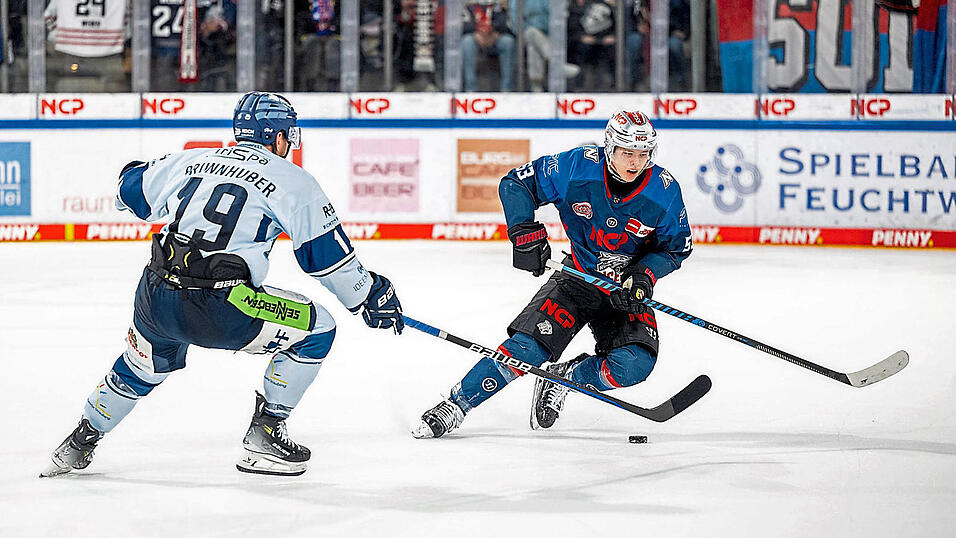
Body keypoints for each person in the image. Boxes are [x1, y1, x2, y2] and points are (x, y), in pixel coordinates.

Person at [41, 92, 404, 477]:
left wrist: (138, 170)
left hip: (155, 297)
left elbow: (128, 191)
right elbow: (327, 260)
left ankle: (80, 440)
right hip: (222, 306)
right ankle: (266, 433)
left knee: (140, 367)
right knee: (318, 328)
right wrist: (368, 296)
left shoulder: (195, 158)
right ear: (279, 136)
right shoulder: (293, 181)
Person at [412, 109, 692, 438]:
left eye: (643, 154)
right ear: (609, 148)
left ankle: (564, 378)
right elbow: (516, 184)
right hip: (578, 278)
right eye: (628, 153)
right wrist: (524, 234)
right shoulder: (576, 167)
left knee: (634, 365)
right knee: (525, 351)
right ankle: (456, 405)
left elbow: (676, 247)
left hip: (624, 292)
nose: (636, 162)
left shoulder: (664, 191)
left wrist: (644, 276)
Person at [461, 0, 515, 92]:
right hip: (475, 39)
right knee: (466, 42)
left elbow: (506, 26)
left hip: (494, 39)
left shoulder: (498, 7)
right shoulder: (469, 7)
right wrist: (475, 34)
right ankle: (470, 89)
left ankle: (507, 89)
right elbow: (463, 26)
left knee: (508, 41)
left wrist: (495, 34)